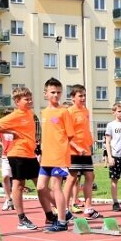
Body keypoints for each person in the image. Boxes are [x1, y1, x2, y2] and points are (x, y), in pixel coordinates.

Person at [0, 86, 47, 229]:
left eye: (30, 98)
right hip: (17, 154)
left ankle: (51, 214)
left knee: (41, 184)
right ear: (17, 101)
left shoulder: (30, 113)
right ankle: (21, 218)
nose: (30, 101)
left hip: (30, 154)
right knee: (19, 185)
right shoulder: (15, 115)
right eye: (26, 99)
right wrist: (11, 131)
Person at [37, 78, 79, 232]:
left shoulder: (64, 112)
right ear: (46, 94)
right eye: (52, 92)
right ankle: (65, 212)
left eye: (58, 92)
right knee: (41, 187)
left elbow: (69, 135)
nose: (56, 95)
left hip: (59, 156)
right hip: (46, 156)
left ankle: (61, 221)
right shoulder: (44, 112)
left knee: (56, 187)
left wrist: (60, 149)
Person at [63, 84, 101, 220]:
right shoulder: (69, 112)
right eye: (80, 96)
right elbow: (67, 134)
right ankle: (65, 209)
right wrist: (76, 147)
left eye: (84, 95)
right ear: (73, 97)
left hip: (85, 150)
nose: (83, 98)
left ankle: (88, 208)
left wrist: (90, 141)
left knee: (90, 176)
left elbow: (84, 129)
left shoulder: (86, 111)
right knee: (72, 178)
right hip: (74, 151)